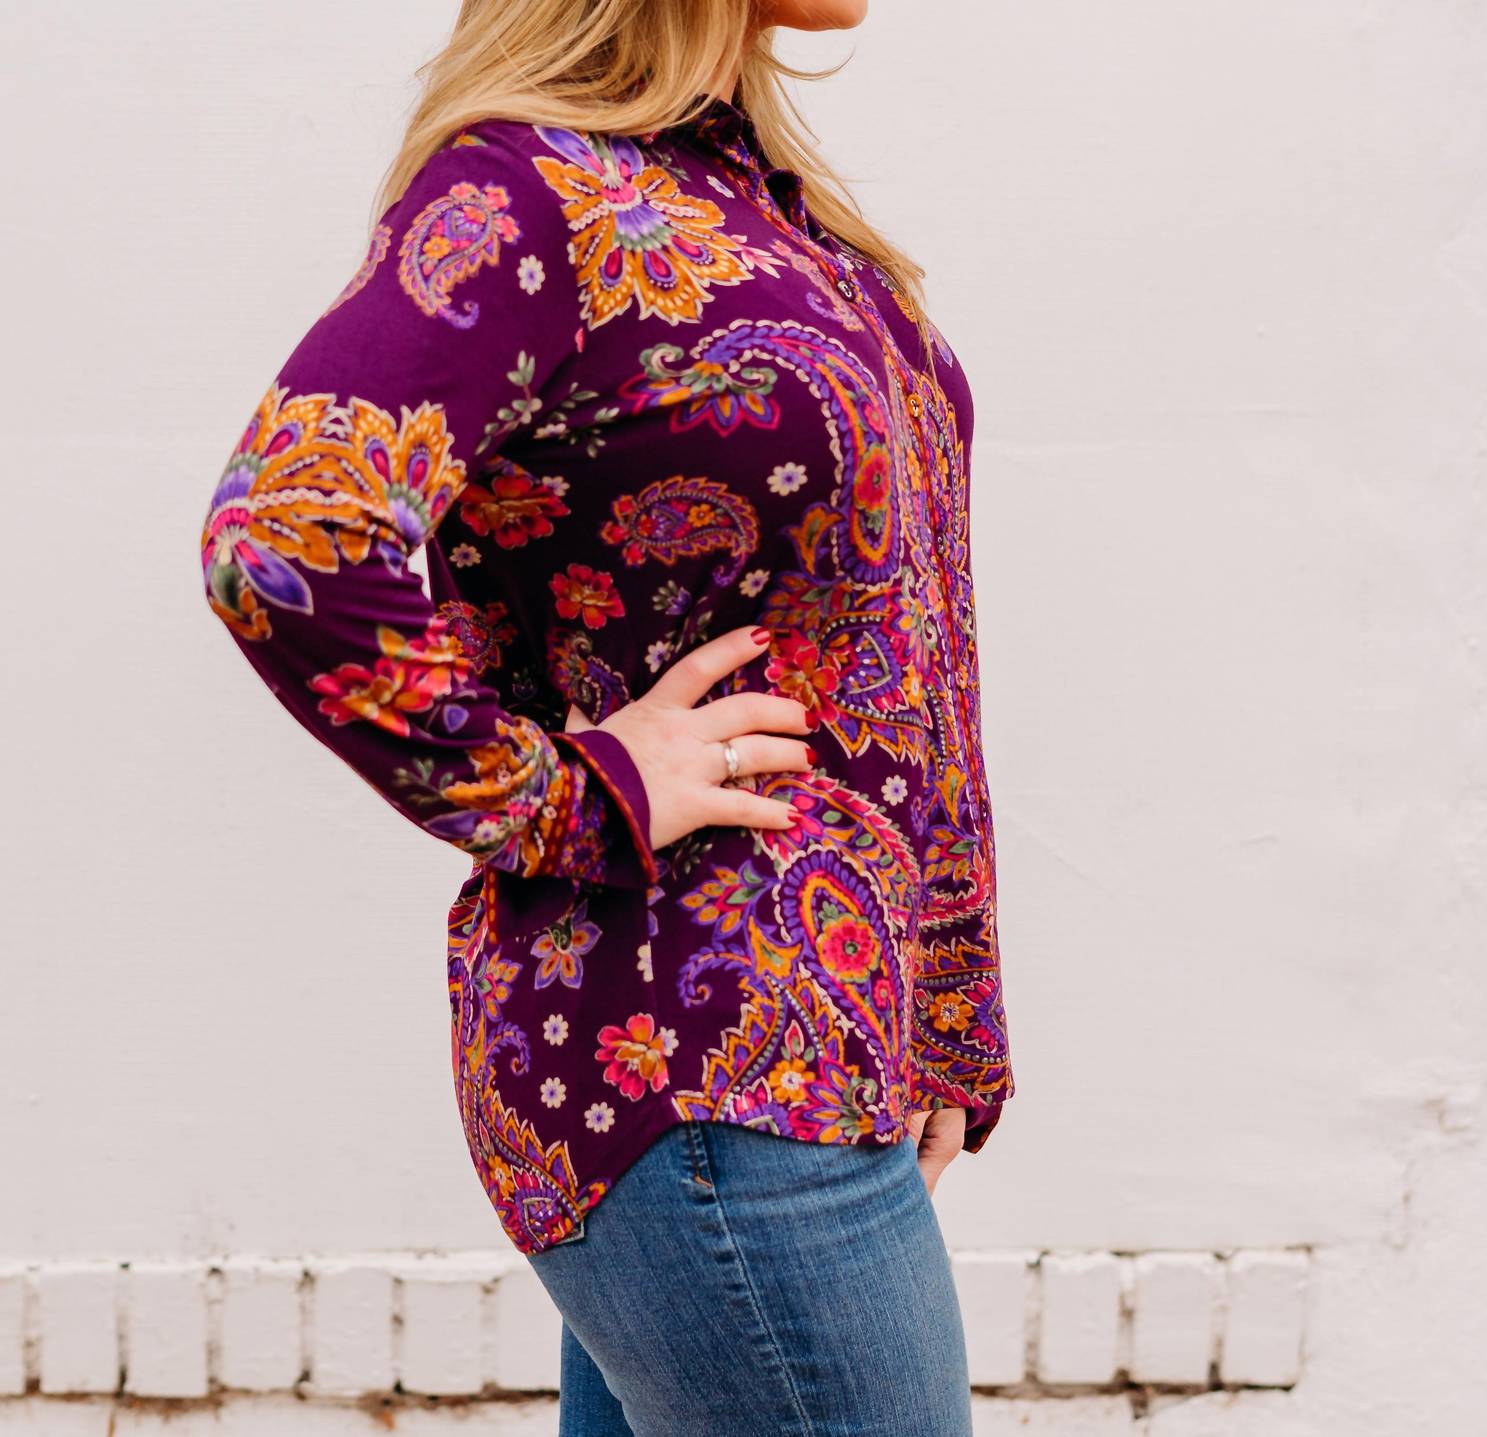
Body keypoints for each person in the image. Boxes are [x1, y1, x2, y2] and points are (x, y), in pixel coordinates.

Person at [198, 1, 1015, 1430]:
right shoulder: (524, 194)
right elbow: (286, 540)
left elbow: (910, 631)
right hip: (698, 1051)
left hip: (815, 1056)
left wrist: (946, 1003)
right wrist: (574, 795)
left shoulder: (770, 207)